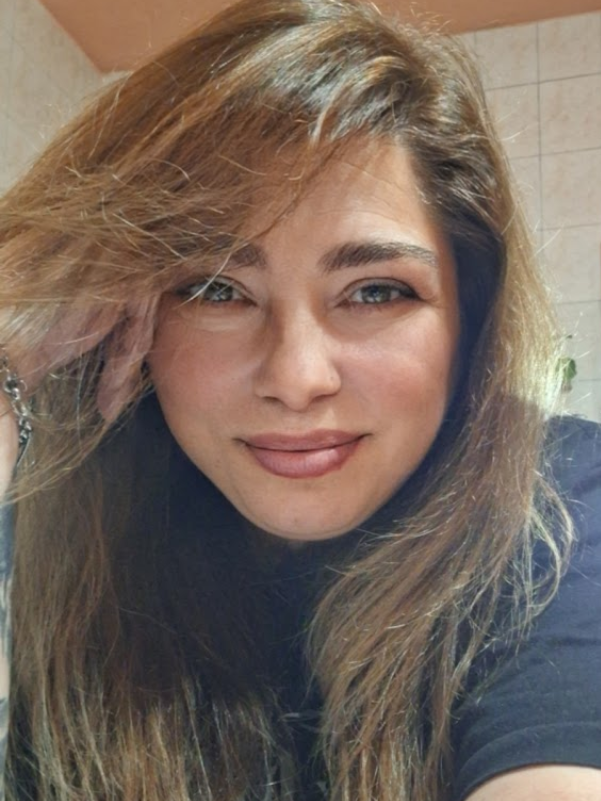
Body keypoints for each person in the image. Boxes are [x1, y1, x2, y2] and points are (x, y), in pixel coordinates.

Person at [0, 0, 600, 799]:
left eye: (375, 290)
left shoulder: (558, 504)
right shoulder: (67, 526)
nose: (295, 376)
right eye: (216, 289)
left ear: (469, 315)